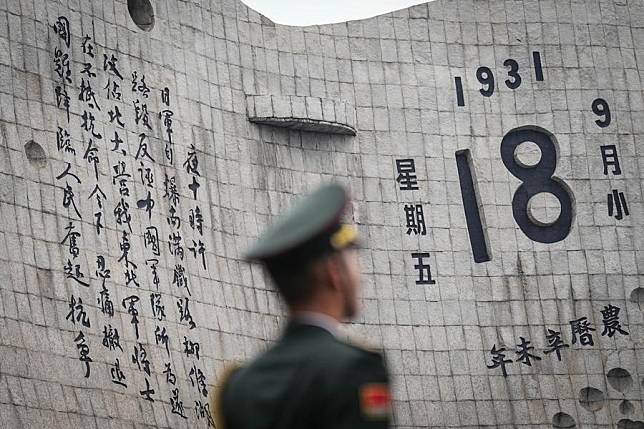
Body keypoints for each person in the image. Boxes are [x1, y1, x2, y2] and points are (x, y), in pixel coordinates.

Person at [212, 183, 391, 428]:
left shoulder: (239, 384)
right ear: (334, 272)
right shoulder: (354, 369)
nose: (362, 276)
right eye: (353, 260)